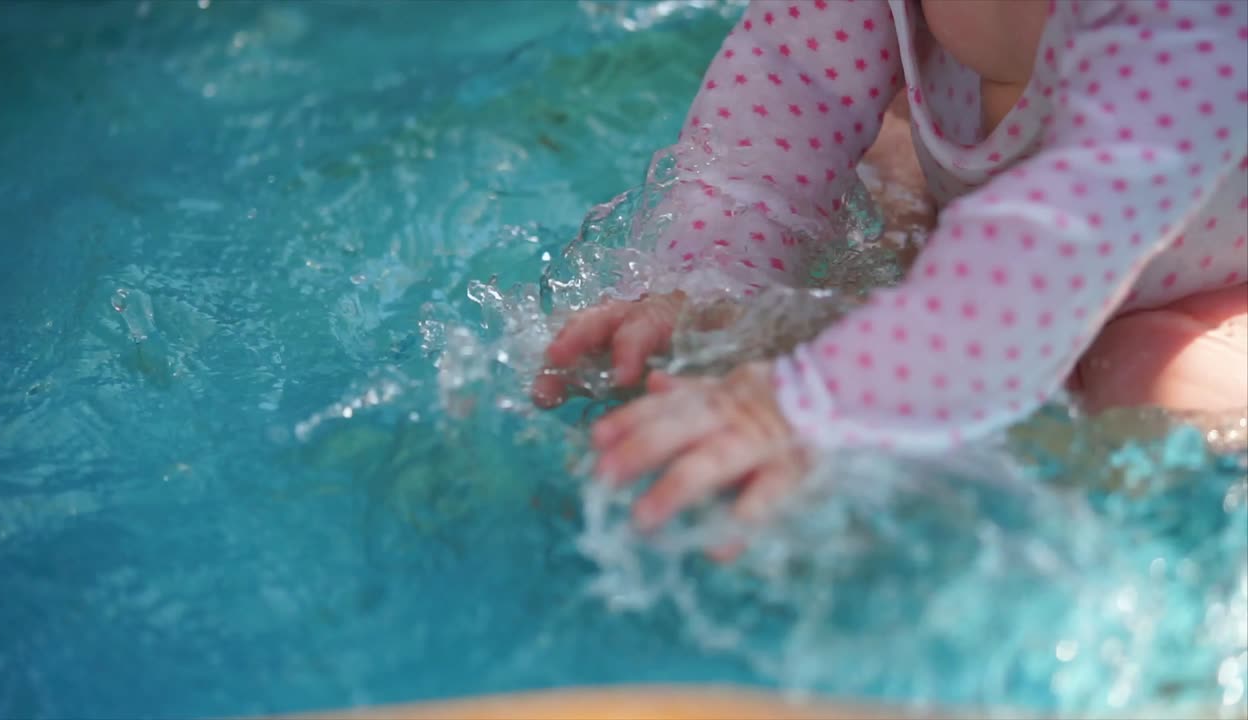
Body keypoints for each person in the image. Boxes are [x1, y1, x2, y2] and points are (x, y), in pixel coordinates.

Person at [532, 0, 1248, 545]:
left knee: (1146, 389)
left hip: (1213, 281)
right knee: (869, 192)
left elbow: (1057, 243)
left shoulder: (1195, 29)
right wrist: (706, 279)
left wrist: (809, 402)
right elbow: (785, 92)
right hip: (1023, 205)